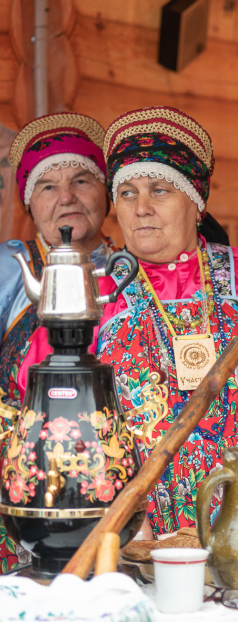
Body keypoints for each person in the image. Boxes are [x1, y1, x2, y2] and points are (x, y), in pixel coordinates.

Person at [19, 106, 238, 535]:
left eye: (159, 190)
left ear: (196, 202)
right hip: (147, 545)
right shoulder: (93, 293)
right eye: (126, 193)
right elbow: (41, 415)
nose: (141, 208)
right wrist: (107, 511)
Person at [0, 112, 114, 572]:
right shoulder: (11, 270)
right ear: (29, 205)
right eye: (47, 186)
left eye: (81, 179)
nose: (66, 196)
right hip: (17, 475)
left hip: (114, 473)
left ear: (105, 192)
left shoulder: (134, 268)